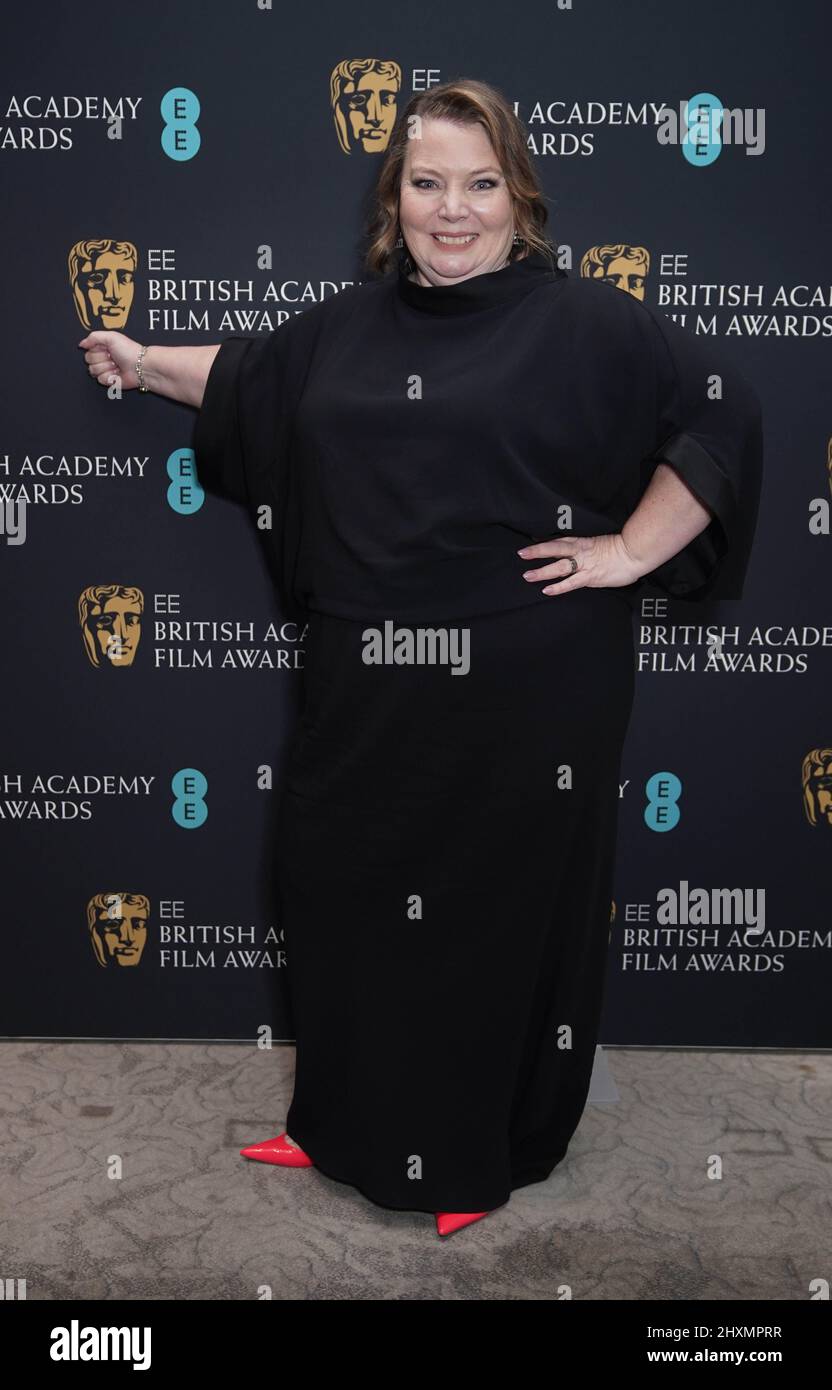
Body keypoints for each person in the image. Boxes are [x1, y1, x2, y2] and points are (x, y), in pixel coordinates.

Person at [78, 78, 763, 1239]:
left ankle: (467, 1152)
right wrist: (143, 362)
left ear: (520, 198)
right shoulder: (350, 326)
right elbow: (247, 379)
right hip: (364, 683)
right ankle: (339, 1117)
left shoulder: (588, 321)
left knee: (483, 920)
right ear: (394, 199)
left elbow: (723, 412)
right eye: (429, 183)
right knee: (337, 893)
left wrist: (629, 551)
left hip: (526, 689)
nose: (454, 210)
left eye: (481, 185)